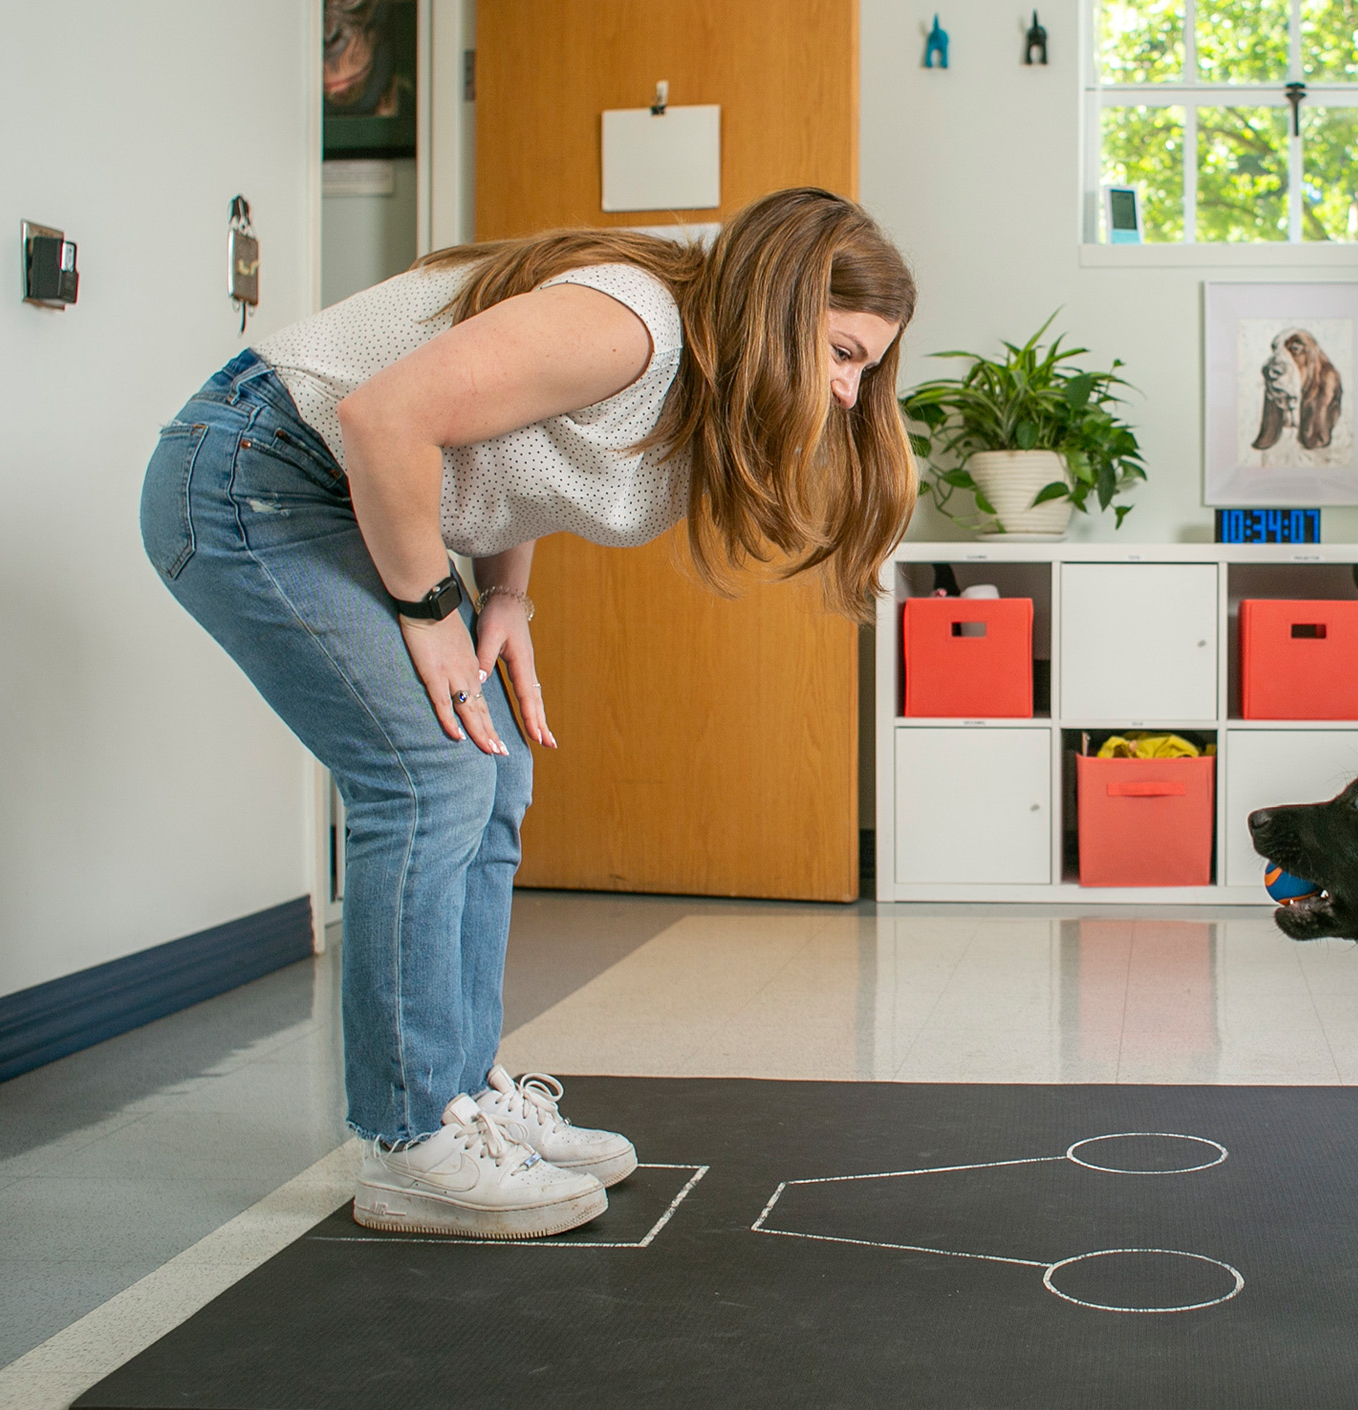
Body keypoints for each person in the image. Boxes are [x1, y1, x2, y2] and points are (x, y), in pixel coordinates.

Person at [141, 188, 917, 1238]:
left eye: (866, 366)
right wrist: (428, 607)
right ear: (777, 308)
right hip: (256, 478)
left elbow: (507, 450)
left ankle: (462, 1099)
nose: (847, 387)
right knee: (429, 777)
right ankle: (410, 1141)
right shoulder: (631, 323)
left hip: (344, 489)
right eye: (840, 350)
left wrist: (502, 598)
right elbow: (385, 419)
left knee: (494, 769)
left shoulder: (689, 371)